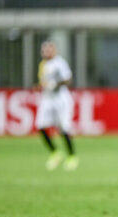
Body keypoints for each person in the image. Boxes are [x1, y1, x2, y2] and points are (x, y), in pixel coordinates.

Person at [36, 41, 79, 171]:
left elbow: (68, 79)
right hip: (47, 99)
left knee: (64, 128)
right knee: (40, 126)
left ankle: (72, 157)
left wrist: (55, 84)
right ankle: (55, 153)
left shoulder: (60, 63)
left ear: (54, 51)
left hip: (61, 99)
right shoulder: (43, 65)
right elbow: (44, 81)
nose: (46, 53)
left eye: (49, 50)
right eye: (44, 51)